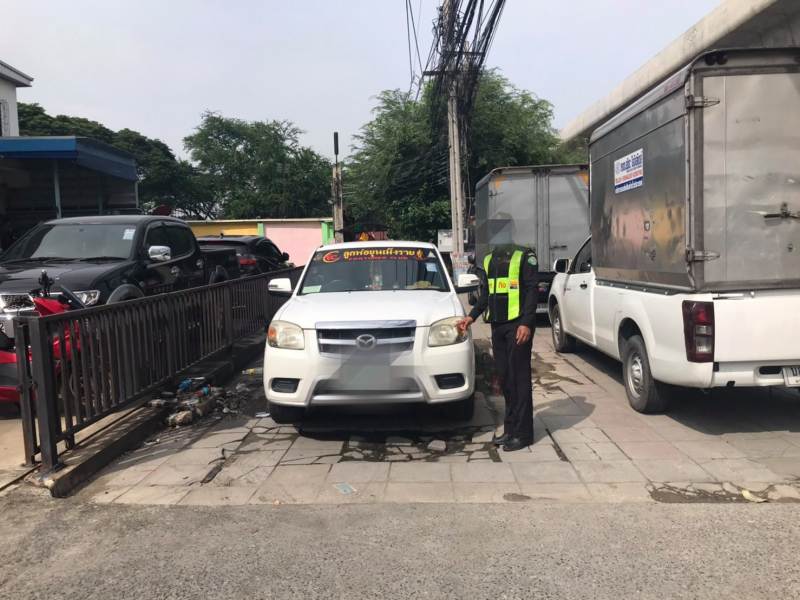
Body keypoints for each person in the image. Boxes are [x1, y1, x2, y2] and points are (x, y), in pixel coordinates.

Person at [458, 245, 538, 451]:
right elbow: (486, 293)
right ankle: (511, 429)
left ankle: (524, 434)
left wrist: (527, 323)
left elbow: (531, 290)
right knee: (505, 379)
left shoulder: (525, 256)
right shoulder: (489, 259)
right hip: (498, 325)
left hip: (518, 324)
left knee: (519, 379)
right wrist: (471, 316)